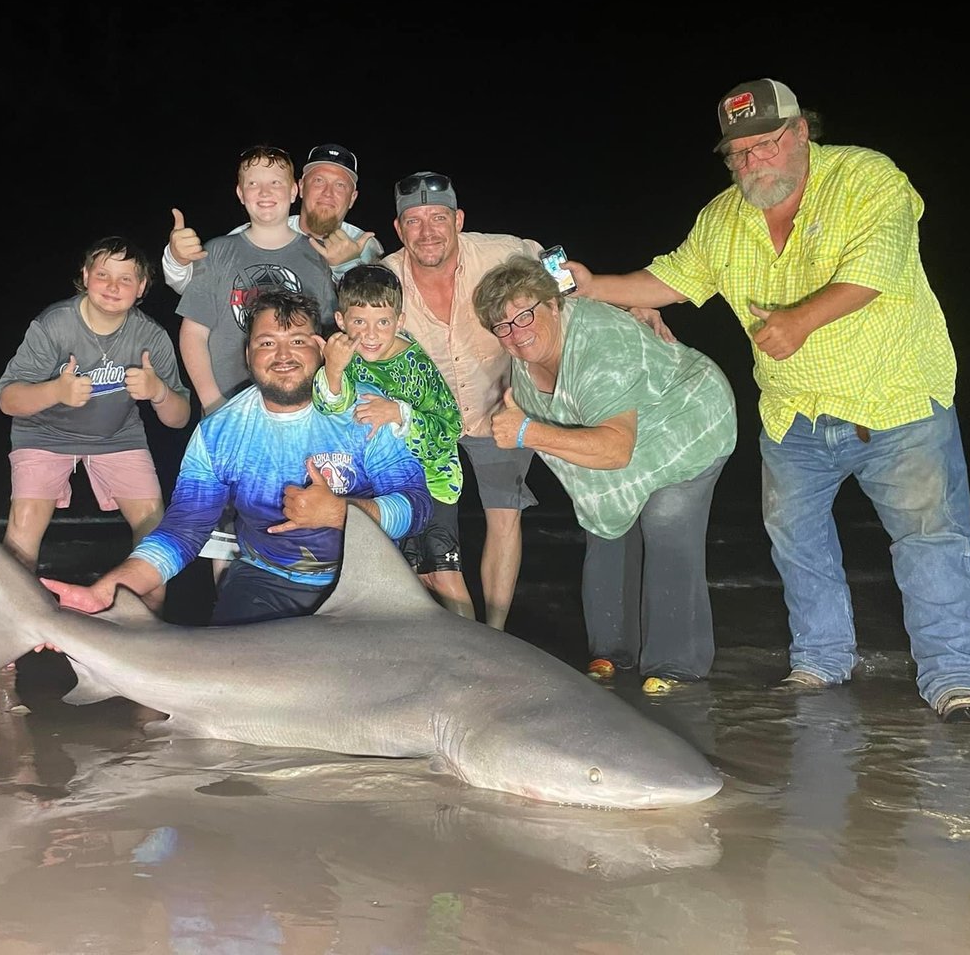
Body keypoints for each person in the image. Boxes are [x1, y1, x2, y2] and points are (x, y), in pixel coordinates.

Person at [566, 78, 970, 723]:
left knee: (929, 539)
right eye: (738, 153)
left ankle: (957, 678)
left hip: (897, 402)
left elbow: (876, 269)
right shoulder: (723, 219)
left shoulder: (867, 178)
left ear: (800, 133)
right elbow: (673, 279)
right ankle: (822, 660)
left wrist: (799, 321)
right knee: (797, 539)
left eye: (765, 144)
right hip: (793, 415)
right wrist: (597, 284)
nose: (752, 162)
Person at [381, 171, 673, 631]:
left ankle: (495, 633)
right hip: (425, 422)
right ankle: (445, 632)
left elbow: (562, 276)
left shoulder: (503, 252)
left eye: (438, 218)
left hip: (502, 405)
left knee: (504, 518)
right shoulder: (385, 276)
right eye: (414, 222)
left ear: (458, 219)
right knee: (432, 538)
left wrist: (629, 303)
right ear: (399, 230)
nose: (428, 232)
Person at [40, 289, 433, 625]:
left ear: (322, 347)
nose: (282, 354)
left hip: (372, 583)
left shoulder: (366, 410)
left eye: (297, 340)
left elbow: (417, 507)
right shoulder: (219, 433)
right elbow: (183, 531)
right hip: (265, 582)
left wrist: (341, 513)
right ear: (248, 354)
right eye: (266, 342)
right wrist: (106, 591)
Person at [474, 255, 736, 688]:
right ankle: (612, 654)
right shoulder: (523, 358)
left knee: (665, 518)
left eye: (525, 316)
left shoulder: (600, 345)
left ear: (554, 305)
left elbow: (614, 451)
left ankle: (675, 665)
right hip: (627, 432)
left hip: (687, 419)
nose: (517, 334)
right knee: (605, 524)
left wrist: (527, 432)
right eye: (503, 326)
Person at [170, 146, 341, 585]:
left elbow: (325, 342)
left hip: (296, 414)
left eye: (276, 183)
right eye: (254, 184)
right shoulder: (220, 252)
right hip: (230, 410)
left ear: (295, 191)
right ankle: (227, 618)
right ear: (240, 194)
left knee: (289, 513)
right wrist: (211, 402)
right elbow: (193, 333)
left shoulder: (317, 257)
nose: (265, 193)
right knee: (224, 533)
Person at [0, 235, 191, 611]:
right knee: (22, 529)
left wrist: (158, 392)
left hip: (118, 436)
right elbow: (8, 401)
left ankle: (145, 632)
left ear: (142, 287)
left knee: (156, 526)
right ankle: (10, 632)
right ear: (85, 276)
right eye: (103, 274)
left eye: (126, 278)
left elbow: (178, 418)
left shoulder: (150, 337)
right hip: (43, 433)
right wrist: (55, 391)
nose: (113, 287)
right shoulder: (54, 326)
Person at [313, 263, 473, 619]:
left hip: (431, 483)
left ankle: (480, 662)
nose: (371, 334)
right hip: (377, 486)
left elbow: (451, 427)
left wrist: (400, 413)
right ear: (341, 320)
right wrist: (333, 370)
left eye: (382, 322)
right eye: (359, 322)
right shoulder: (342, 356)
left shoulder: (414, 365)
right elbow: (328, 408)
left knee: (444, 578)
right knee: (401, 581)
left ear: (399, 322)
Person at [161, 142, 383, 294]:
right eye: (318, 181)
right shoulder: (251, 234)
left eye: (340, 185)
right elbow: (193, 289)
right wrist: (177, 259)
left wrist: (347, 267)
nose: (327, 193)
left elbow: (372, 316)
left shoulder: (366, 247)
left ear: (352, 198)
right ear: (300, 187)